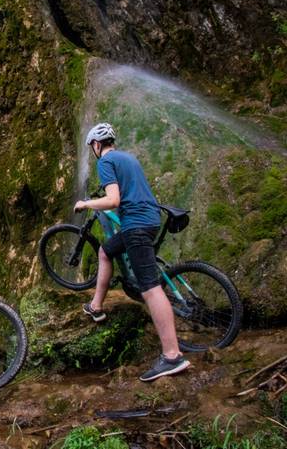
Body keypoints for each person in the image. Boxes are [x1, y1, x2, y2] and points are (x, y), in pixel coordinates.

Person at [75, 123, 191, 382]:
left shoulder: (105, 162)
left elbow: (113, 200)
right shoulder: (129, 158)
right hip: (147, 220)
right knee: (106, 251)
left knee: (150, 288)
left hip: (136, 225)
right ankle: (96, 306)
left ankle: (172, 356)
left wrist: (86, 203)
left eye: (92, 146)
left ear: (96, 145)